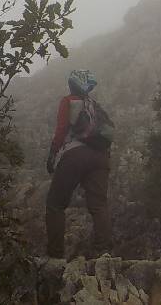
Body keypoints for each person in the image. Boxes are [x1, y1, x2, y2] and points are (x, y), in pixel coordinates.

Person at [45, 69, 115, 258]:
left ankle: (55, 256)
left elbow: (61, 130)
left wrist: (52, 155)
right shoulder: (95, 106)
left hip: (75, 154)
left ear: (73, 84)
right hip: (101, 157)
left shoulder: (68, 101)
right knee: (99, 205)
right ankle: (104, 253)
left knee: (55, 205)